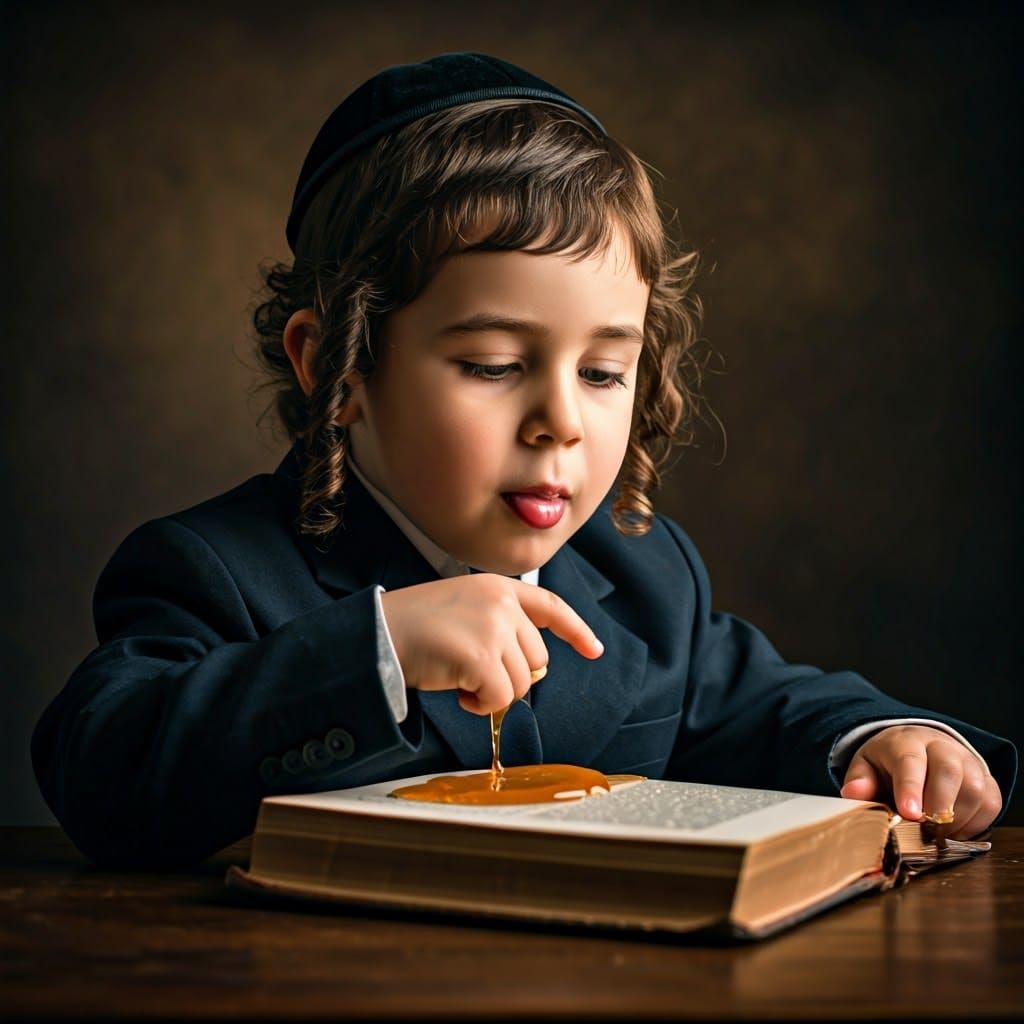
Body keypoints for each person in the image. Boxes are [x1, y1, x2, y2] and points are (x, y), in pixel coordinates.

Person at [32, 53, 1016, 867]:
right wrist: (379, 651)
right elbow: (105, 766)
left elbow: (760, 702)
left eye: (600, 371)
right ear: (337, 365)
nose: (559, 421)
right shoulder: (217, 571)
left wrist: (884, 738)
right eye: (495, 364)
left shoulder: (640, 572)